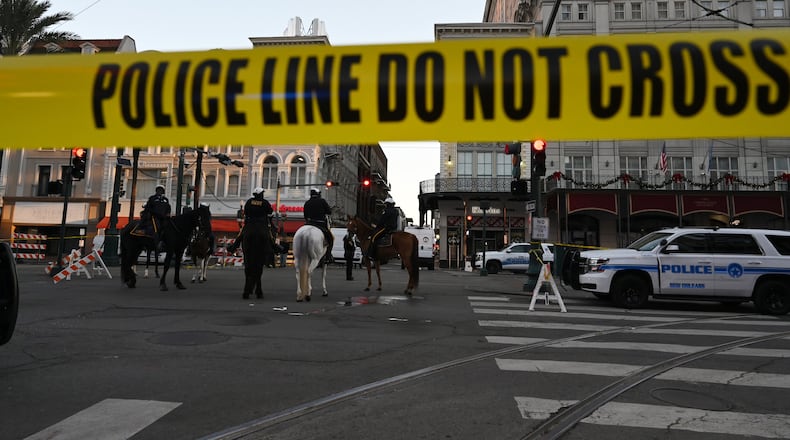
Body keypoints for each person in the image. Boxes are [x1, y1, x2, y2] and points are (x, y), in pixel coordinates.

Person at [227, 187, 273, 253]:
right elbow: (270, 211)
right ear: (261, 194)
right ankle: (275, 246)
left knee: (241, 235)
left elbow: (245, 212)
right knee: (269, 235)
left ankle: (234, 246)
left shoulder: (249, 201)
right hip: (262, 225)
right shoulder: (265, 202)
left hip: (249, 224)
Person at [303, 187, 333, 263]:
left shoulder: (307, 203)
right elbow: (329, 211)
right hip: (320, 224)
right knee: (330, 239)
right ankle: (328, 256)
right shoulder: (322, 201)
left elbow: (305, 216)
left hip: (309, 224)